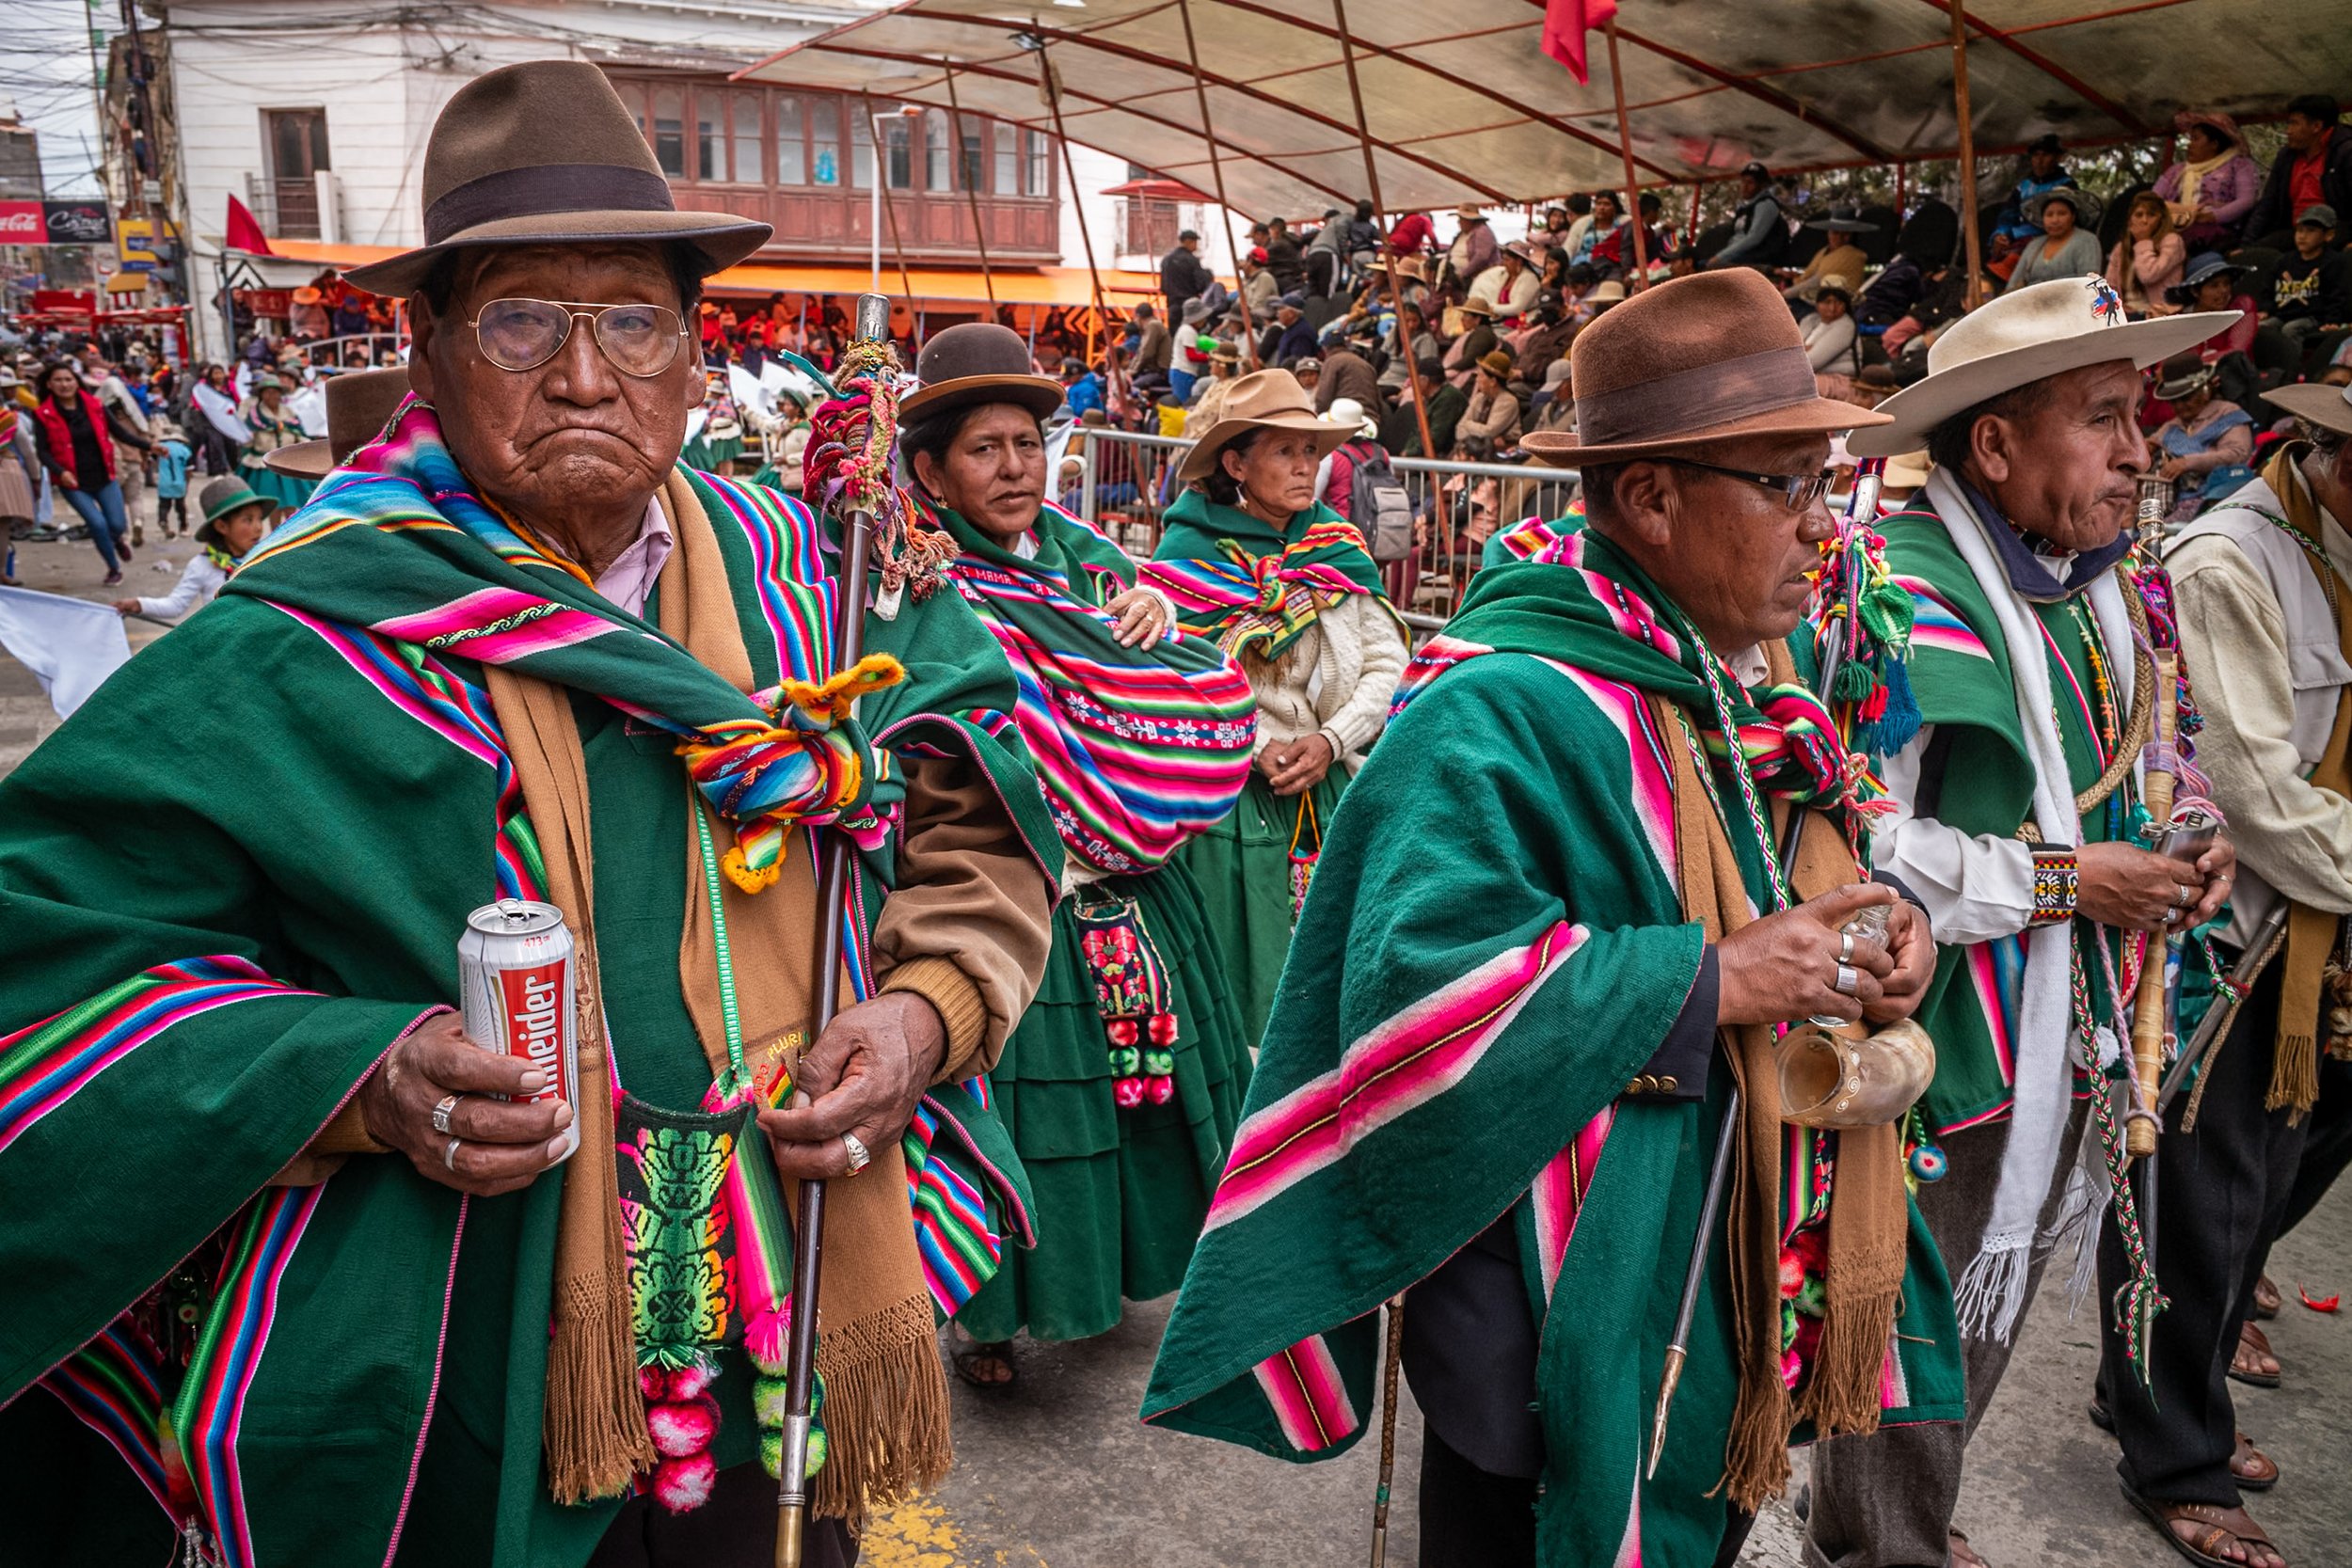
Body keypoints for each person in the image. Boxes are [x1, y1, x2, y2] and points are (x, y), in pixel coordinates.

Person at [0, 61, 1060, 1568]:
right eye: (520, 322)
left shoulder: (818, 577)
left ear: (693, 352)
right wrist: (362, 1077)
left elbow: (984, 814)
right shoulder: (299, 638)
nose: (583, 376)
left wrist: (924, 1011)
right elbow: (47, 958)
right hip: (463, 1353)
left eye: (632, 322)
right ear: (427, 350)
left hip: (781, 1297)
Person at [1144, 267, 1956, 1568]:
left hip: (1722, 1272)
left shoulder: (1738, 684)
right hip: (1535, 1311)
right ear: (1650, 498)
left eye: (1827, 484)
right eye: (1785, 485)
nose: (1824, 528)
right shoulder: (1494, 706)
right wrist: (1715, 980)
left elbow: (1778, 878)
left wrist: (1875, 938)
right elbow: (1412, 1000)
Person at [1812, 275, 2243, 1568]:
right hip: (1943, 1040)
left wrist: (2188, 832)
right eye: (2102, 417)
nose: (2138, 451)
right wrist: (2072, 882)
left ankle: (1893, 1520)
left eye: (2139, 417)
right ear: (1994, 444)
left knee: (1968, 1318)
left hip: (2067, 1028)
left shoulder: (2098, 589)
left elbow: (2149, 751)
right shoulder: (1903, 590)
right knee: (1909, 1317)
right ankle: (1879, 1540)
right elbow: (1860, 839)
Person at [889, 324, 1258, 1393]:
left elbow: (1177, 675)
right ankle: (989, 1313)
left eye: (1027, 443)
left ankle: (1129, 1269)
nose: (1015, 468)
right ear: (930, 471)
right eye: (985, 448)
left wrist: (1156, 614)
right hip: (1004, 883)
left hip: (1131, 879)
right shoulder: (911, 580)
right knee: (1020, 1106)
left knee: (1138, 1094)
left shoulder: (1087, 561)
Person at [2105, 375, 2352, 1568]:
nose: (2130, 454)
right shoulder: (2227, 561)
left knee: (2275, 1171)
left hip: (2319, 927)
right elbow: (2256, 798)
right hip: (2235, 932)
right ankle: (2174, 1449)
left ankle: (2165, 1383)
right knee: (2202, 1198)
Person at [1141, 369, 1406, 1040]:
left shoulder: (1336, 549)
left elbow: (1385, 662)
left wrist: (1332, 740)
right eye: (1284, 451)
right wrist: (1257, 745)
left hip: (1329, 787)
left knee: (1335, 974)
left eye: (1310, 451)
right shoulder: (1186, 559)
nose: (1304, 466)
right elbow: (1176, 673)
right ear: (1236, 464)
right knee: (1238, 980)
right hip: (1227, 800)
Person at [113, 476, 270, 623]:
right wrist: (139, 604)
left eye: (259, 518)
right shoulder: (202, 566)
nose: (258, 527)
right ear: (222, 526)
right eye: (248, 520)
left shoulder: (265, 558)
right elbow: (175, 605)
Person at [31, 360, 132, 584]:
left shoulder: (96, 406)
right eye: (58, 380)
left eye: (68, 379)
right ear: (49, 384)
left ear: (77, 382)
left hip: (104, 476)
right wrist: (60, 472)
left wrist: (150, 446)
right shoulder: (43, 414)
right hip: (73, 482)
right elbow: (42, 452)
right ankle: (113, 568)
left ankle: (116, 540)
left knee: (117, 525)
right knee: (97, 524)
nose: (64, 384)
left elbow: (120, 433)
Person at [2149, 353, 2256, 519]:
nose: (2179, 406)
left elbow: (2237, 453)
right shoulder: (2173, 425)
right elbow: (2153, 442)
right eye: (2173, 401)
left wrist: (2187, 462)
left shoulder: (2228, 413)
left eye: (2185, 399)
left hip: (2213, 498)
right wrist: (2147, 447)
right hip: (2169, 502)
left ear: (2205, 391)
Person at [2245, 95, 2351, 251]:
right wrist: (2246, 243)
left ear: (2316, 126)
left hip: (2334, 230)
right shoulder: (2287, 156)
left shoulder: (2345, 152)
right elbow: (2268, 203)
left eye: (2294, 123)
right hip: (2296, 230)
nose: (2288, 131)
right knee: (2253, 255)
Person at [2252, 206, 2351, 366]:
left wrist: (2332, 320)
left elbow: (2337, 294)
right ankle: (2263, 369)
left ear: (2329, 235)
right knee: (2261, 328)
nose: (2302, 236)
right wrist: (2265, 309)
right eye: (2299, 230)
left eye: (2310, 231)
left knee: (2291, 329)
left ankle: (2292, 369)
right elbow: (2268, 289)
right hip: (2282, 314)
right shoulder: (2284, 261)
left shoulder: (2334, 262)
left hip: (2313, 316)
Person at [2154, 111, 2264, 251]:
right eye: (2190, 139)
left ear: (2214, 144)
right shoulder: (2176, 170)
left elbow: (2246, 200)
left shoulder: (2239, 165)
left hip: (2219, 234)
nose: (2189, 145)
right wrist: (2183, 212)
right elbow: (2151, 199)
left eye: (2195, 139)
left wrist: (2212, 216)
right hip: (2176, 227)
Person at [238, 371, 318, 511]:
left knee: (291, 502)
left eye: (275, 392)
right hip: (264, 465)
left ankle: (290, 525)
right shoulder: (255, 415)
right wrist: (247, 438)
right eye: (267, 392)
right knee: (273, 504)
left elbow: (299, 432)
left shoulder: (288, 412)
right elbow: (247, 440)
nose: (272, 396)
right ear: (261, 395)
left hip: (288, 462)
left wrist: (309, 449)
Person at [2005, 189, 2103, 292]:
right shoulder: (2034, 245)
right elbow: (2014, 284)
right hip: (2032, 300)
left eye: (2062, 214)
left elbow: (2089, 284)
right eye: (2049, 215)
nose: (2055, 220)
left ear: (2073, 216)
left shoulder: (2086, 241)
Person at [2108, 193, 2188, 317]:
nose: (2144, 220)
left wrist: (2143, 241)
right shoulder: (2121, 248)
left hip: (2159, 313)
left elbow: (2148, 275)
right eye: (2139, 215)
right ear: (2130, 219)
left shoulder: (2173, 241)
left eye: (2151, 215)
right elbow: (2110, 286)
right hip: (2126, 313)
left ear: (2161, 218)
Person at [1994, 134, 2079, 245]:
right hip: (2021, 239)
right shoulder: (2023, 187)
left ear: (2058, 158)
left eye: (2045, 155)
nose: (2039, 161)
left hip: (2054, 239)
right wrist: (2002, 234)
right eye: (2035, 155)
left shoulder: (2067, 185)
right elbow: (2008, 215)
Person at [1709, 161, 1788, 272]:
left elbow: (1753, 238)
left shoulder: (1766, 205)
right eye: (1743, 182)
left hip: (1757, 257)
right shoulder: (1745, 207)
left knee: (1712, 268)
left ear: (1762, 185)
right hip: (1739, 255)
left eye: (1750, 183)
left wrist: (1721, 257)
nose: (1744, 187)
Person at [1788, 214, 1873, 307]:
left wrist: (1784, 294)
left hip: (1838, 303)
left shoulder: (1853, 255)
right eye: (1835, 233)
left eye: (1846, 234)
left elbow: (1816, 281)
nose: (1840, 238)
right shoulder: (1824, 251)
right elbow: (1809, 274)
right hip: (1813, 298)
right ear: (1828, 233)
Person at [1454, 350, 1521, 459]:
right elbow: (1459, 429)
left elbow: (1489, 432)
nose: (1477, 380)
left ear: (1493, 381)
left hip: (1500, 454)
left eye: (1480, 376)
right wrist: (1477, 434)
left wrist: (1468, 424)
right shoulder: (1480, 398)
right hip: (1473, 449)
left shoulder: (1508, 401)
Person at [1470, 241, 1542, 323]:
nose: (1504, 263)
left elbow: (1518, 308)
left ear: (1519, 261)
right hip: (1502, 321)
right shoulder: (1505, 276)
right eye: (1503, 259)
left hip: (1521, 323)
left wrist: (1491, 308)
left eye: (1507, 260)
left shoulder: (1529, 279)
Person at [1311, 337, 1379, 417]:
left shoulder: (1332, 362)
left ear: (1325, 348)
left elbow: (1324, 398)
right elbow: (1378, 398)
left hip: (1344, 417)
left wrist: (1319, 416)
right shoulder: (1365, 364)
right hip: (1370, 417)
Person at [1804, 284, 1861, 374]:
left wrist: (1804, 349)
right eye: (1827, 302)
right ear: (1817, 304)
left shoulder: (1845, 326)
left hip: (1838, 376)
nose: (1832, 308)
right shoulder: (1810, 320)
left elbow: (1812, 362)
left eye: (1839, 303)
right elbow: (1792, 348)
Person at [1162, 228, 1214, 326]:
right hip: (1190, 307)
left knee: (1175, 333)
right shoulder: (1192, 260)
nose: (1196, 245)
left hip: (1173, 305)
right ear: (1188, 242)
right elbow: (1200, 284)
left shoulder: (1167, 260)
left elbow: (1163, 286)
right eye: (1195, 242)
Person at [151, 415, 192, 535]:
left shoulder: (161, 448)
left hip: (164, 481)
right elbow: (189, 470)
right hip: (179, 482)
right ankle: (183, 527)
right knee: (181, 506)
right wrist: (187, 483)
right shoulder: (185, 450)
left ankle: (163, 520)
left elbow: (153, 461)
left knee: (164, 504)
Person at [1447, 204, 1499, 286]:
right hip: (1456, 276)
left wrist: (1464, 273)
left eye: (1461, 219)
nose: (1459, 222)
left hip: (1475, 279)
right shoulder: (1462, 233)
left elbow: (1482, 256)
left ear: (1470, 220)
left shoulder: (1482, 232)